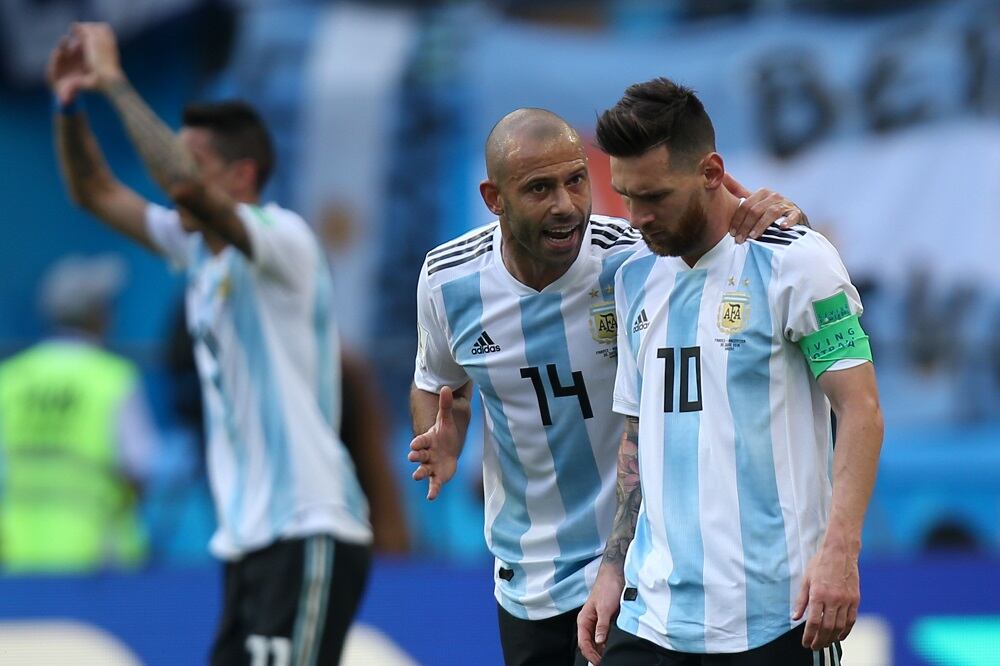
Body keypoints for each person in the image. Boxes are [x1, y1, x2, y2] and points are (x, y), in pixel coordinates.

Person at [409, 107, 805, 666]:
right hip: (527, 575)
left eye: (576, 180)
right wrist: (442, 434)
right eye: (540, 188)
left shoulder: (633, 256)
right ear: (494, 199)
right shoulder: (448, 280)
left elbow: (751, 261)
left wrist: (789, 219)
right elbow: (435, 382)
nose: (566, 205)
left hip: (636, 564)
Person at [48, 23, 371, 665]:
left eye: (190, 158)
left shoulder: (282, 240)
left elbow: (183, 188)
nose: (172, 169)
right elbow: (94, 192)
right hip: (247, 541)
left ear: (242, 175)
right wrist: (68, 107)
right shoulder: (195, 247)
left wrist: (115, 83)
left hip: (308, 524)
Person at [578, 77, 883, 665]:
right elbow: (638, 433)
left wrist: (840, 553)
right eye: (625, 196)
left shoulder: (797, 261)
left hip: (775, 618)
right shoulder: (634, 277)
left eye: (654, 196)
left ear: (711, 172)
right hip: (651, 616)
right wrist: (613, 567)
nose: (637, 218)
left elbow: (861, 409)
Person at [0, 254, 158, 572]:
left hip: (18, 555)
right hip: (99, 558)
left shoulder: (10, 379)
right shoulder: (113, 378)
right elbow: (140, 469)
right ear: (97, 315)